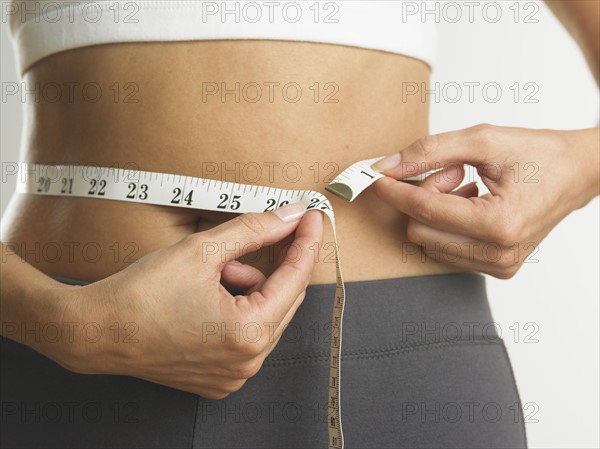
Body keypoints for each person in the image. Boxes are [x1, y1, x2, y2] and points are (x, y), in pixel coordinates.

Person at [1, 1, 597, 448]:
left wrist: (579, 166)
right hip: (57, 332)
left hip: (397, 353)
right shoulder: (62, 329)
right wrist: (67, 326)